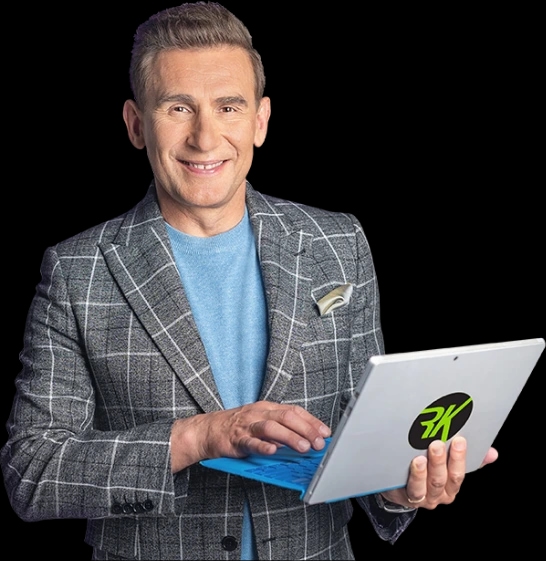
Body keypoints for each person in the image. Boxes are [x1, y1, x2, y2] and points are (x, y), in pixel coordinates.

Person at [0, 3, 498, 559]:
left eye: (228, 107)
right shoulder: (78, 272)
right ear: (137, 125)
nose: (205, 136)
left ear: (260, 120)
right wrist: (198, 437)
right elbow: (33, 471)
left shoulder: (339, 243)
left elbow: (364, 436)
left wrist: (398, 489)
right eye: (178, 108)